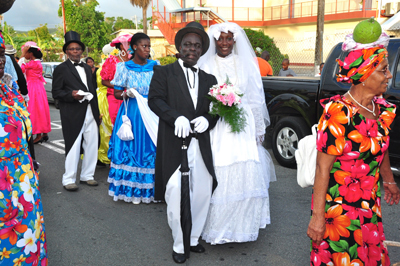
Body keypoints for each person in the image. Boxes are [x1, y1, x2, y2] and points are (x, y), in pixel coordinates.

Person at [307, 32, 400, 265]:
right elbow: (322, 169)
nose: (389, 75)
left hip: (369, 205)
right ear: (363, 74)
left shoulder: (379, 108)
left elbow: (382, 146)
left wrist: (388, 181)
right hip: (341, 212)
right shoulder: (340, 113)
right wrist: (317, 218)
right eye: (383, 70)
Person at [197, 22, 276, 245]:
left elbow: (255, 98)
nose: (224, 43)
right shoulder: (206, 63)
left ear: (235, 40)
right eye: (220, 39)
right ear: (214, 41)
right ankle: (218, 227)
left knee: (245, 170)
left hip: (242, 124)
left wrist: (259, 129)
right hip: (218, 124)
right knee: (219, 170)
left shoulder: (245, 64)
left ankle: (241, 227)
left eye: (228, 39)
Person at [148, 22, 219, 264]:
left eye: (197, 46)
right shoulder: (163, 72)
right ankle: (179, 243)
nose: (192, 49)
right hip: (173, 143)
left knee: (201, 191)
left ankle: (193, 238)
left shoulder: (210, 79)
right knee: (176, 192)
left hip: (201, 145)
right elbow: (154, 100)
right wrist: (174, 117)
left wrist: (208, 120)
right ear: (178, 47)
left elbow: (216, 110)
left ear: (202, 50)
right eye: (188, 44)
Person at [0, 32, 48, 265]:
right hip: (3, 187)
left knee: (27, 238)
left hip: (23, 180)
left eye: (1, 54)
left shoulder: (8, 91)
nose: (1, 60)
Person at [107, 33, 159, 204]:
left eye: (149, 46)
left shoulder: (156, 66)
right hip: (133, 112)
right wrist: (126, 93)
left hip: (151, 111)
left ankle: (151, 190)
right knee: (131, 149)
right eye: (144, 46)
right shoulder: (124, 67)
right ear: (134, 47)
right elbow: (116, 93)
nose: (147, 49)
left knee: (151, 148)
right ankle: (129, 189)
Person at [52, 31, 101, 191]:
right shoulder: (61, 69)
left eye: (78, 49)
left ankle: (87, 175)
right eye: (72, 49)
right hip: (72, 112)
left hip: (90, 110)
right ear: (66, 51)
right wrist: (71, 95)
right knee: (73, 145)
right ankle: (69, 179)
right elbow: (56, 93)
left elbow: (92, 89)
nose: (75, 51)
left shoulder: (87, 68)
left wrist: (97, 112)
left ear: (81, 51)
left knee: (92, 144)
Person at [19, 43, 51, 144]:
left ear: (31, 53)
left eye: (27, 52)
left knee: (34, 110)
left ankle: (38, 135)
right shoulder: (38, 63)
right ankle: (44, 133)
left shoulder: (32, 63)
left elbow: (20, 69)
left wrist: (23, 55)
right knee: (41, 109)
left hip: (32, 87)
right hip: (39, 87)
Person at [101, 34, 132, 125]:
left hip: (132, 97)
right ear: (122, 46)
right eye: (130, 44)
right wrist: (120, 87)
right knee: (117, 124)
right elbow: (104, 81)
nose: (133, 46)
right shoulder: (112, 60)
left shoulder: (135, 60)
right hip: (115, 97)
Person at [96, 45, 113, 166]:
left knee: (104, 126)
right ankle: (105, 153)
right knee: (106, 126)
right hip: (106, 98)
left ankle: (104, 152)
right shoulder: (108, 67)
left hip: (101, 97)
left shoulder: (102, 67)